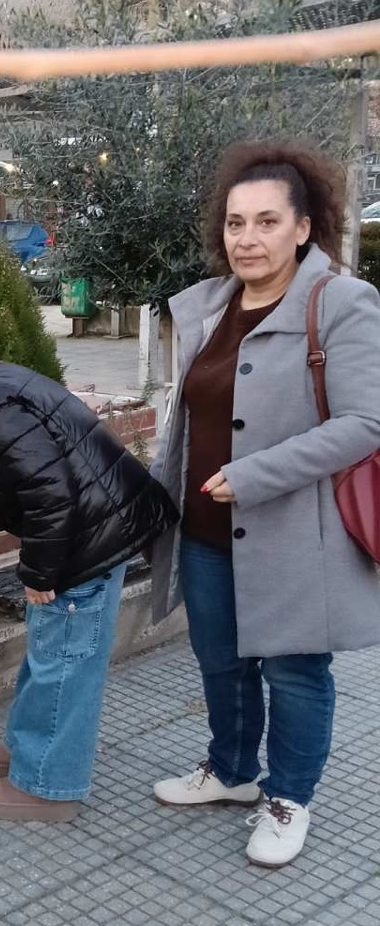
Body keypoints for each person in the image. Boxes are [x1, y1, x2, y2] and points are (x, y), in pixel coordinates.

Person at [150, 142, 380, 867]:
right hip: (205, 529)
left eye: (267, 222)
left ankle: (288, 797)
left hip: (294, 533)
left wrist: (255, 474)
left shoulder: (339, 302)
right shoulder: (211, 304)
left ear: (303, 228)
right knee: (219, 662)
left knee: (293, 673)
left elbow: (365, 423)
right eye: (234, 222)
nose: (246, 239)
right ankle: (231, 770)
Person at [0, 331, 176, 820]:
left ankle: (49, 786)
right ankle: (26, 750)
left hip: (85, 542)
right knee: (48, 654)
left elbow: (50, 488)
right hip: (90, 530)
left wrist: (40, 572)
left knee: (64, 664)